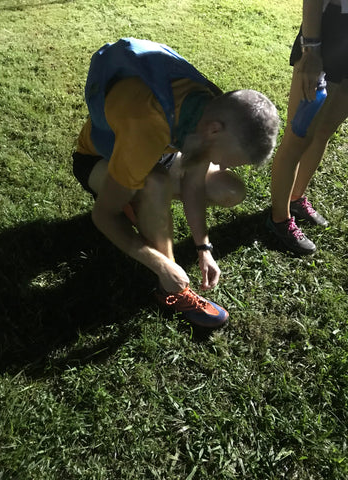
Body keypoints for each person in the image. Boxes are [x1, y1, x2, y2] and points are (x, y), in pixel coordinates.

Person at [73, 39, 279, 328]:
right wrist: (161, 264)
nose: (227, 165)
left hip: (158, 155)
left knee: (230, 189)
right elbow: (103, 216)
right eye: (232, 157)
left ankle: (141, 203)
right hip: (96, 160)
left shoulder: (206, 108)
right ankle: (171, 289)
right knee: (154, 184)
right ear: (215, 130)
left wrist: (203, 248)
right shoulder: (146, 124)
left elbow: (194, 182)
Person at [267, 0, 348, 254]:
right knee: (298, 137)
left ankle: (296, 197)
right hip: (330, 30)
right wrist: (311, 50)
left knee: (324, 131)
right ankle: (278, 218)